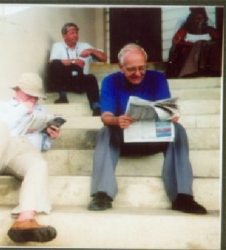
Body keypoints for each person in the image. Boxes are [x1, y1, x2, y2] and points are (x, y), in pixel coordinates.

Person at [88, 43, 207, 215]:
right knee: (105, 131)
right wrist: (116, 120)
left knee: (178, 129)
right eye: (131, 69)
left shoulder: (157, 78)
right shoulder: (110, 81)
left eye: (141, 68)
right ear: (121, 67)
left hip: (153, 137)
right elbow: (105, 116)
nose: (137, 73)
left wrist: (171, 116)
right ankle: (102, 193)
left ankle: (182, 196)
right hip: (125, 139)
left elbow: (168, 111)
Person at [0, 73, 60, 243]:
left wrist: (49, 138)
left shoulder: (41, 111)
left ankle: (25, 218)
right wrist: (23, 110)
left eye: (36, 97)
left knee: (39, 165)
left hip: (21, 153)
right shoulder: (0, 106)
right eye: (28, 95)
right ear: (17, 91)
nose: (33, 99)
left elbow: (41, 146)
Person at [48, 22, 107, 116]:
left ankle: (96, 107)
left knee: (91, 77)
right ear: (64, 36)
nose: (75, 35)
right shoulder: (58, 46)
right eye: (72, 33)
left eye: (76, 32)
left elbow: (104, 58)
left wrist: (91, 51)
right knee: (56, 64)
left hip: (79, 81)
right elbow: (52, 63)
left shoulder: (85, 46)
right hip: (64, 82)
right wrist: (73, 62)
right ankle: (63, 97)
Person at [166, 7, 221, 78]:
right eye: (197, 19)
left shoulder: (210, 29)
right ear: (192, 19)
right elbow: (175, 42)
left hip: (206, 53)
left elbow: (219, 41)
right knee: (198, 45)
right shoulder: (185, 29)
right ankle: (190, 72)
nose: (199, 21)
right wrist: (189, 44)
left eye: (201, 18)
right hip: (190, 52)